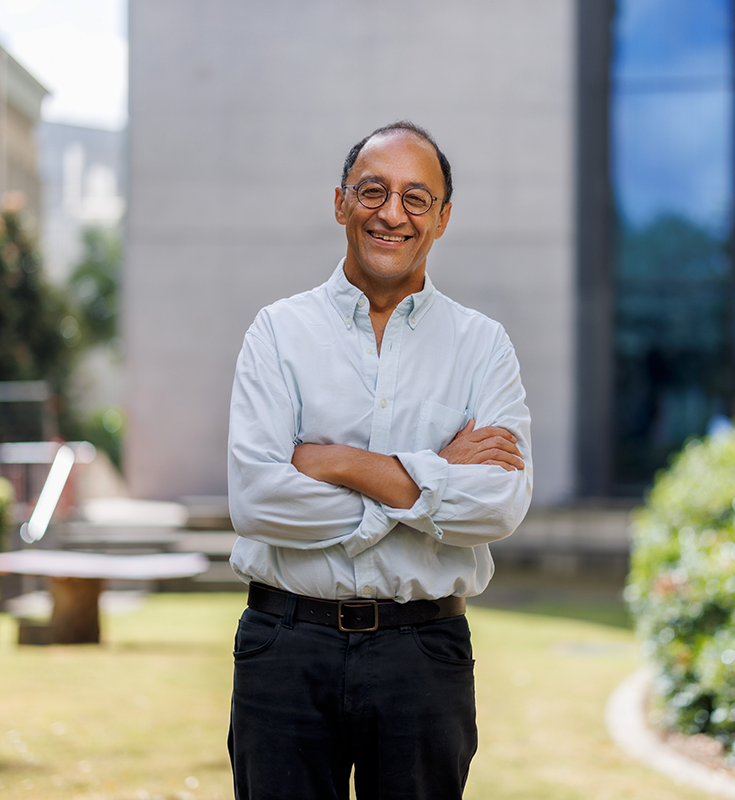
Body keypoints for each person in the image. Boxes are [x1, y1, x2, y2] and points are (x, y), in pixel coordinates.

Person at [225, 121, 533, 800]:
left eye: (416, 199)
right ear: (340, 203)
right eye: (373, 192)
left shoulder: (483, 347)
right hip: (285, 645)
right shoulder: (278, 333)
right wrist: (430, 478)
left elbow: (498, 505)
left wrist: (337, 461)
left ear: (443, 218)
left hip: (421, 653)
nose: (392, 214)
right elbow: (256, 500)